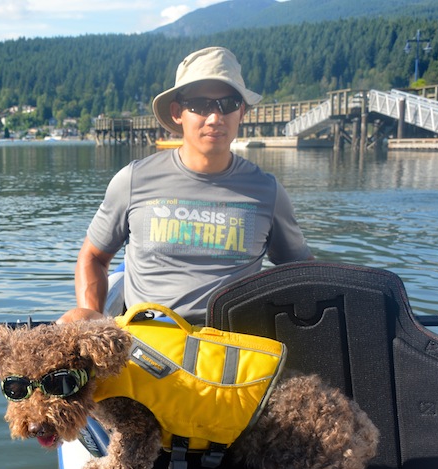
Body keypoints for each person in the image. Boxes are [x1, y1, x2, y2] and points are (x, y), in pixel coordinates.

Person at [62, 47, 313, 325]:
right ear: (177, 112)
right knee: (72, 319)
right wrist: (94, 320)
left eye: (227, 104)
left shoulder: (268, 192)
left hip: (231, 352)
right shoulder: (133, 180)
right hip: (149, 347)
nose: (215, 117)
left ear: (241, 112)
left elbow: (302, 271)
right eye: (201, 105)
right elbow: (93, 257)